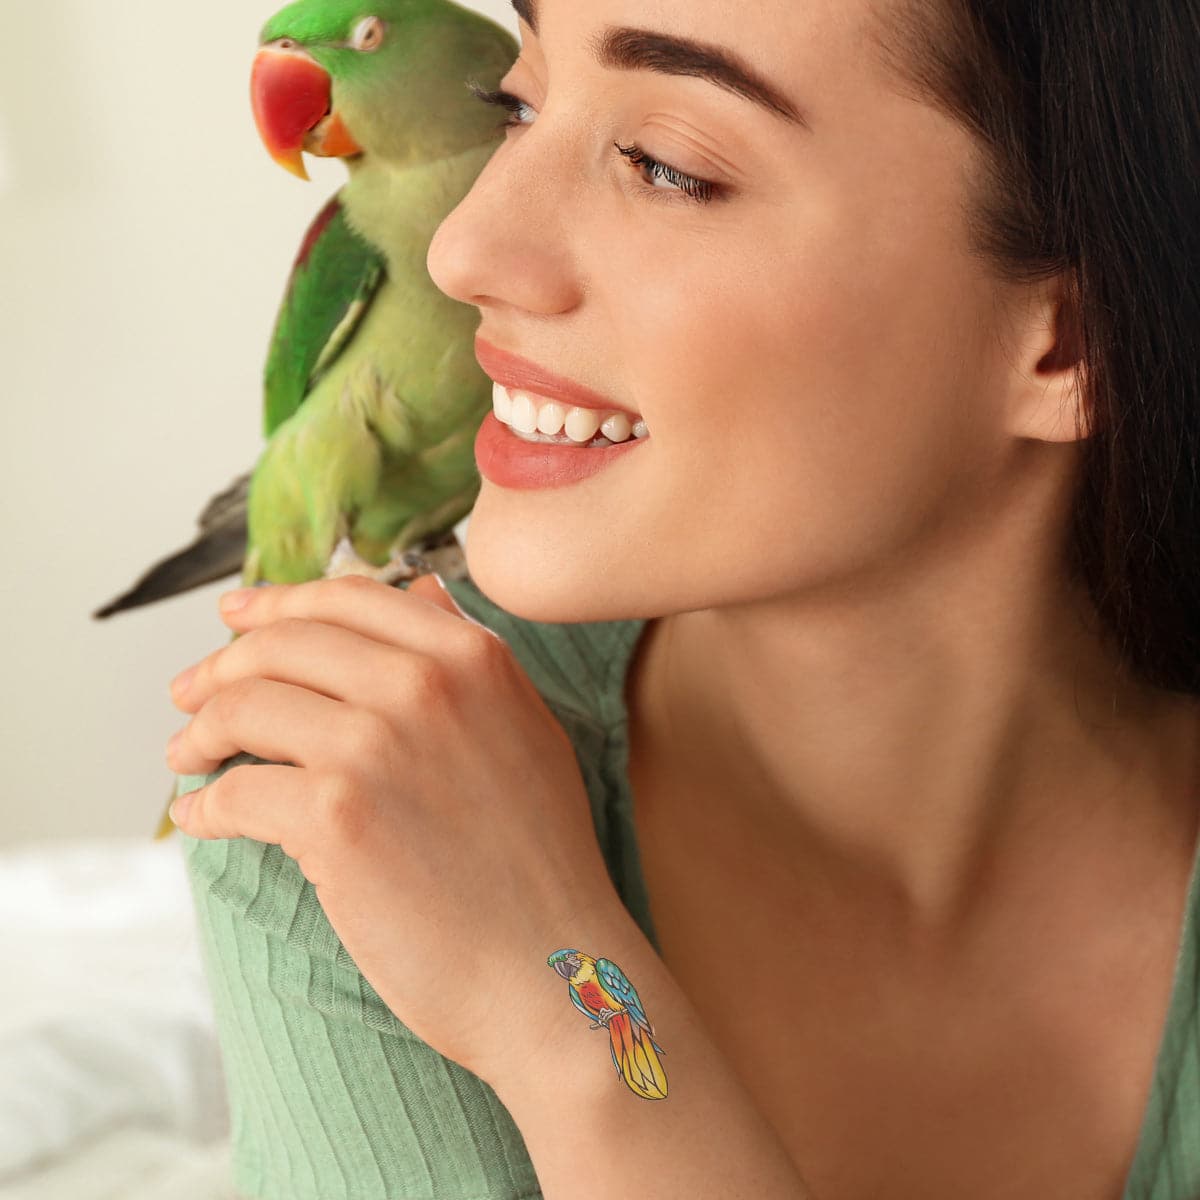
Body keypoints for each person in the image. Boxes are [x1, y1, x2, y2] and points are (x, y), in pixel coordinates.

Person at [164, 0, 1200, 1197]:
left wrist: (573, 1010)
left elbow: (574, 1014)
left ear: (1075, 343)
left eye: (668, 166)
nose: (463, 251)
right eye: (521, 103)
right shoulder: (361, 791)